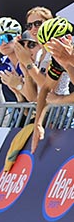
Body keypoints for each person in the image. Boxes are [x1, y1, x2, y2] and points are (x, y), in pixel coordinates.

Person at [30, 17, 74, 154]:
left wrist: (59, 100)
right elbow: (46, 88)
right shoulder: (58, 58)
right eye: (48, 48)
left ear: (67, 38)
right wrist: (38, 123)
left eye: (53, 47)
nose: (53, 53)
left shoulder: (65, 55)